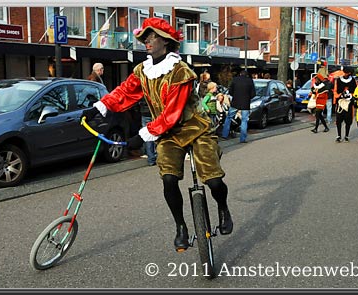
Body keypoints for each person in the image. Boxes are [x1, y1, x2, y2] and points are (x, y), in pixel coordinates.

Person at [80, 17, 233, 251]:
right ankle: (181, 226)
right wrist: (100, 107)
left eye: (152, 37)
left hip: (194, 127)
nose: (147, 42)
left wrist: (142, 135)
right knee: (169, 178)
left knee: (213, 179)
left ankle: (223, 207)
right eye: (145, 38)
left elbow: (172, 112)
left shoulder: (181, 71)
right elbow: (125, 91)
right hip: (167, 132)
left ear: (166, 41)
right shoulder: (143, 70)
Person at [221, 70, 256, 143]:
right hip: (245, 104)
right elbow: (253, 94)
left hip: (235, 102)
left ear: (240, 74)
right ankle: (242, 138)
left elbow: (230, 91)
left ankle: (224, 134)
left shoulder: (235, 80)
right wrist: (247, 98)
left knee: (229, 117)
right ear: (247, 75)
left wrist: (235, 96)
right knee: (244, 120)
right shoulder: (250, 81)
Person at [334, 67, 358, 142]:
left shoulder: (353, 80)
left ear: (349, 73)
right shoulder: (338, 80)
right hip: (340, 103)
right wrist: (340, 95)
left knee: (348, 120)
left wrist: (351, 96)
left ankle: (347, 136)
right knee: (339, 120)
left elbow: (356, 91)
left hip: (349, 103)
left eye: (346, 73)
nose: (344, 74)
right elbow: (335, 91)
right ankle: (339, 136)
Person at [139, 99, 157, 166]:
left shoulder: (143, 88)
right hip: (154, 111)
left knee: (147, 136)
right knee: (157, 133)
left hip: (144, 112)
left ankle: (151, 159)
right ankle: (158, 155)